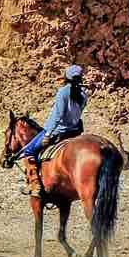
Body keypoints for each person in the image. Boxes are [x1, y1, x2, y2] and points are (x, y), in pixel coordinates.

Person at [14, 65, 88, 196]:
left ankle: (35, 185)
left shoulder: (63, 92)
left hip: (58, 131)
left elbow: (57, 116)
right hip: (74, 131)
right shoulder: (83, 94)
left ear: (66, 77)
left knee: (29, 150)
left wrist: (48, 134)